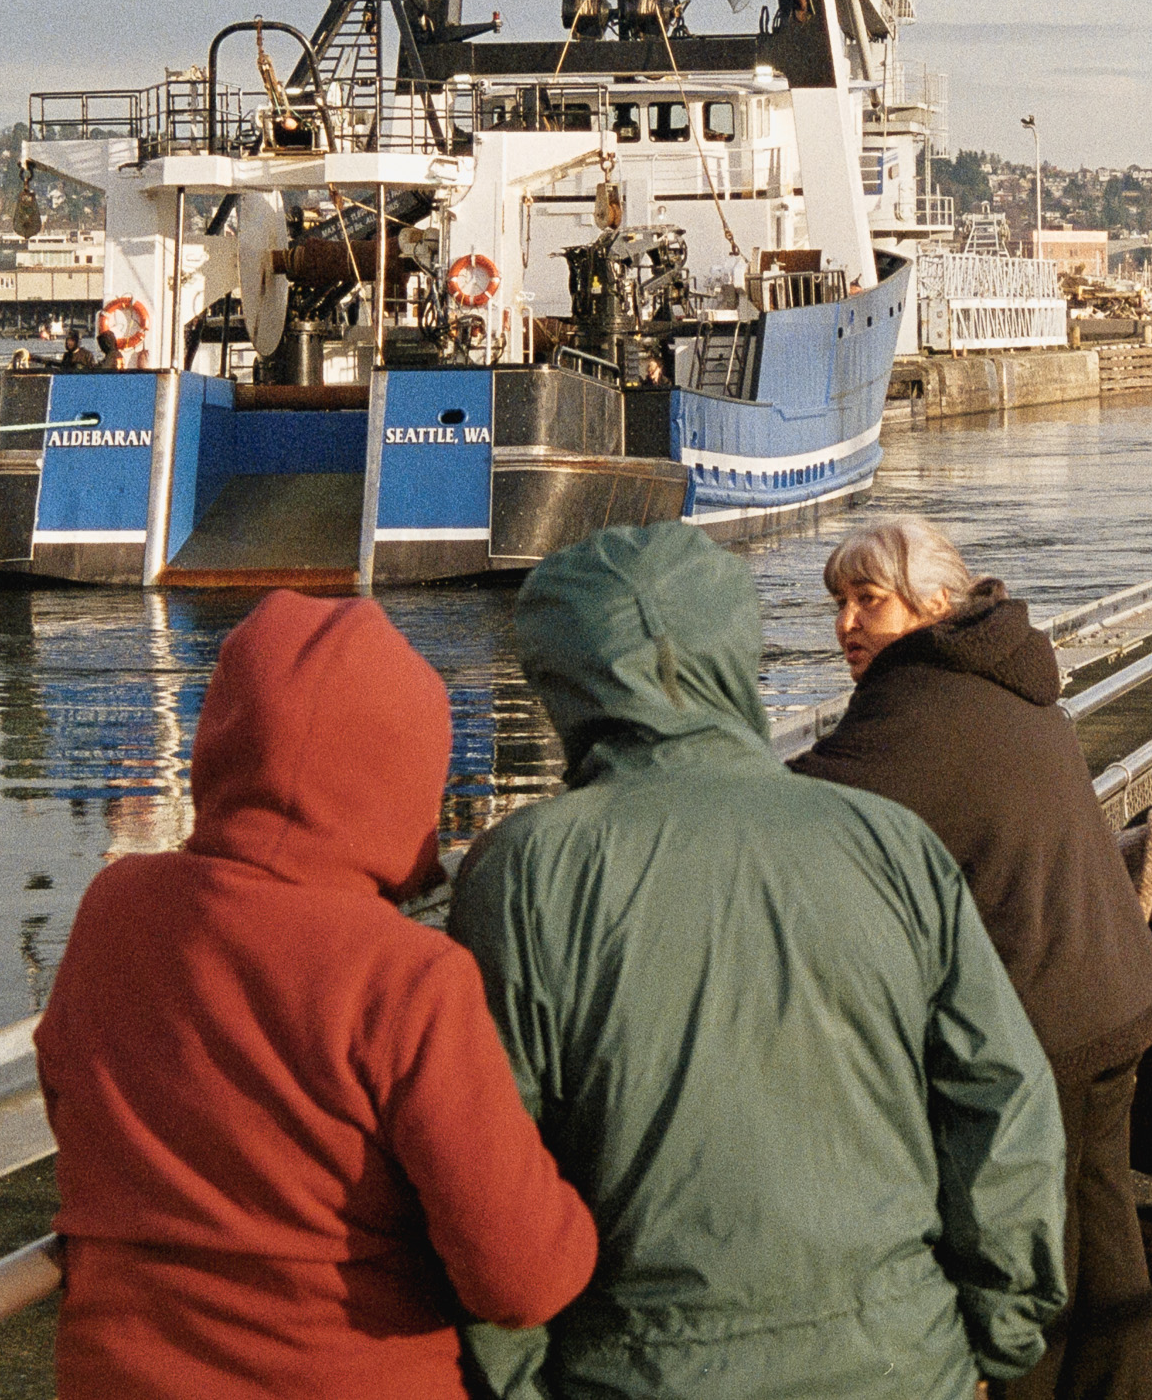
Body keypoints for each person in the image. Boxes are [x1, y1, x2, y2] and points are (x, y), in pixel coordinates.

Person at [452, 523, 1068, 1399]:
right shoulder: (883, 838)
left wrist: (520, 1381)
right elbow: (1000, 1098)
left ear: (561, 678)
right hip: (898, 1354)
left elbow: (488, 1174)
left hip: (638, 1366)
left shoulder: (525, 872)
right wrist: (991, 1334)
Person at [34, 593, 597, 1399]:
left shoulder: (113, 909)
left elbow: (69, 1097)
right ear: (405, 776)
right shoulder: (407, 978)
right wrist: (584, 1218)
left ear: (221, 738)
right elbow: (521, 1279)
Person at [792, 518, 1152, 1400]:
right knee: (1102, 1238)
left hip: (1043, 1020)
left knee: (1025, 1254)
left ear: (931, 604)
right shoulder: (1004, 671)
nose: (847, 623)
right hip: (1114, 991)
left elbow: (803, 807)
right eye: (839, 603)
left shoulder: (922, 701)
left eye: (868, 599)